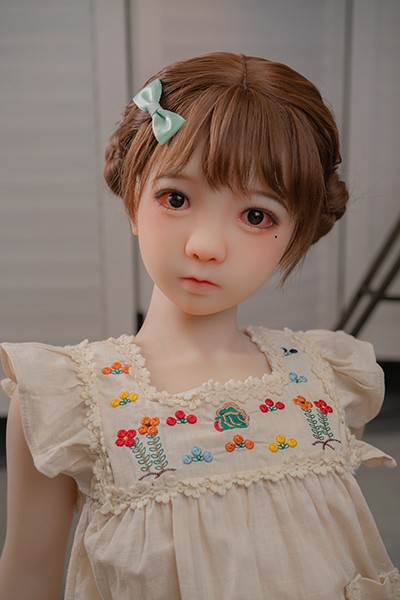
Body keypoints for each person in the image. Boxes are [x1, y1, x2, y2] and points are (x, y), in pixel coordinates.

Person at [0, 51, 398, 600]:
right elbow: (28, 575)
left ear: (296, 234)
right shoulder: (62, 400)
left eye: (256, 216)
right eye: (176, 198)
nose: (206, 245)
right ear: (133, 199)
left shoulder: (329, 380)